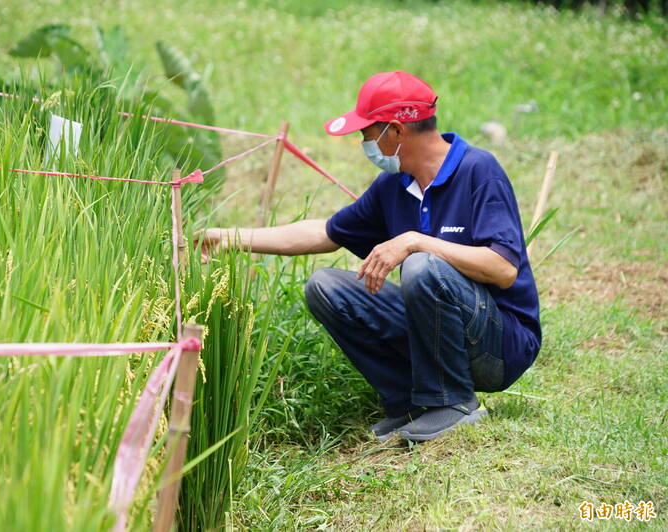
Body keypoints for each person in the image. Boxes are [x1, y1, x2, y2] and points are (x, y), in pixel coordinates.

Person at [198, 71, 541, 442]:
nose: (364, 144)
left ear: (395, 131)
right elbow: (325, 233)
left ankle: (453, 403)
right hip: (449, 335)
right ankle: (411, 401)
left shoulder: (478, 170)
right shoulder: (394, 186)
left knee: (421, 264)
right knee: (326, 286)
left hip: (500, 346)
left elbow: (504, 269)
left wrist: (414, 241)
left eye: (366, 134)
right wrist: (230, 238)